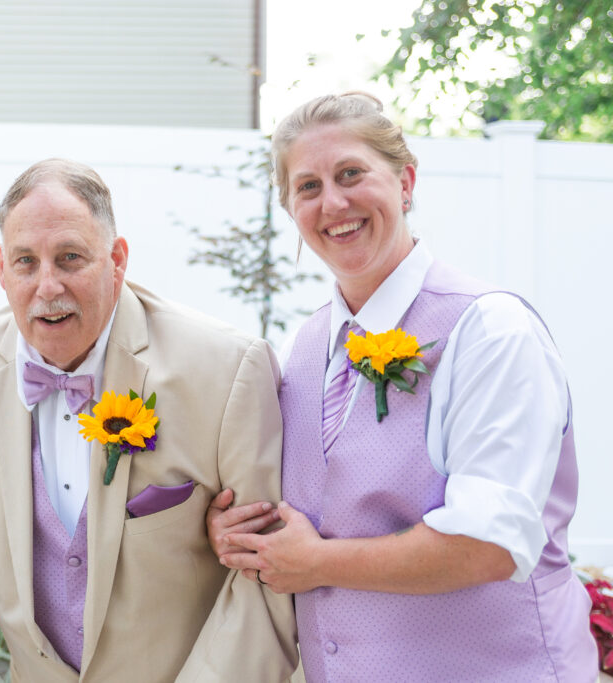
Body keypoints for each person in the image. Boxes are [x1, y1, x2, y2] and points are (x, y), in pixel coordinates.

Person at [208, 92, 597, 682]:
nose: (333, 201)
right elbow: (297, 510)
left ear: (406, 181)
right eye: (307, 187)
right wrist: (240, 533)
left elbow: (488, 544)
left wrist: (316, 563)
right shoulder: (302, 350)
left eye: (351, 174)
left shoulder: (491, 331)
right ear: (290, 208)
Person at [0, 158, 298, 682]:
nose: (48, 286)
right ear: (1, 267)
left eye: (70, 258)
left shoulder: (228, 370)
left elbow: (268, 568)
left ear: (117, 260)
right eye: (26, 262)